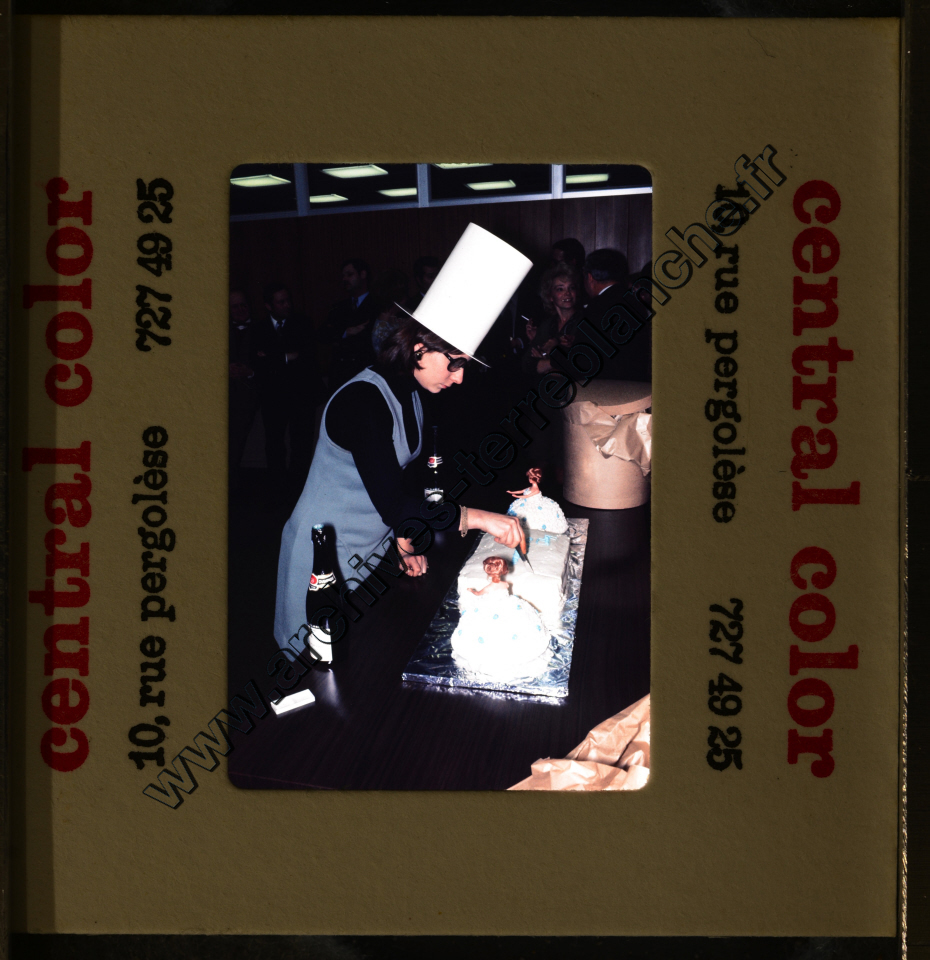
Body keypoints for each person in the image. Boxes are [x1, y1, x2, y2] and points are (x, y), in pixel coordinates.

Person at [274, 222, 533, 654]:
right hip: (320, 556)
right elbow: (394, 501)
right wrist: (483, 518)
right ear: (419, 348)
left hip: (370, 549)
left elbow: (391, 481)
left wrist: (400, 537)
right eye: (454, 363)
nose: (460, 377)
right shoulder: (362, 401)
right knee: (314, 667)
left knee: (359, 663)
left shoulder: (412, 391)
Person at [251, 283, 320, 493]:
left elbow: (306, 356)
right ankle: (277, 490)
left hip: (301, 395)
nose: (287, 305)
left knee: (302, 444)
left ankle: (298, 490)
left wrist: (272, 358)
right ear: (268, 305)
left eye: (288, 300)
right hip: (273, 397)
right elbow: (257, 362)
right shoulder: (259, 329)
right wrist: (286, 357)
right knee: (274, 444)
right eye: (281, 302)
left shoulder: (303, 323)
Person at [582, 248, 652, 382]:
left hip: (607, 387)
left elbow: (585, 360)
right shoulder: (635, 302)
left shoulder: (596, 306)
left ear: (590, 278)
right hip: (636, 384)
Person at [318, 258, 380, 392]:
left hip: (366, 375)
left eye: (350, 274)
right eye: (343, 276)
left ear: (363, 274)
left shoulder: (377, 304)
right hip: (341, 376)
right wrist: (346, 332)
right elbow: (322, 334)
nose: (345, 279)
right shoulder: (339, 307)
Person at [522, 261, 582, 378]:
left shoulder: (584, 320)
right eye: (560, 289)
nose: (567, 293)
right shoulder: (547, 325)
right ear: (550, 296)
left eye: (571, 288)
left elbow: (580, 364)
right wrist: (553, 363)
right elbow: (527, 364)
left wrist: (547, 359)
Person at [228, 289, 258, 481]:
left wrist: (250, 372)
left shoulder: (260, 329)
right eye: (235, 307)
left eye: (243, 305)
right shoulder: (219, 331)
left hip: (249, 395)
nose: (240, 310)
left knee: (237, 442)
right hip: (225, 395)